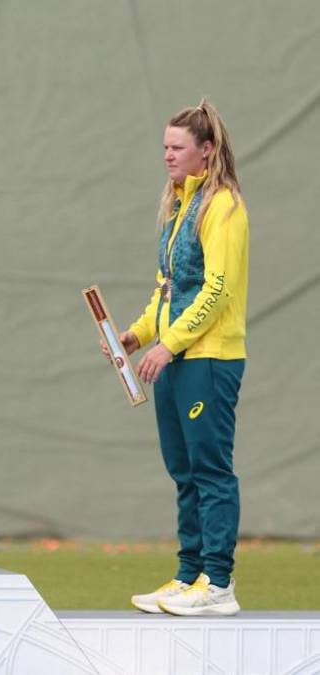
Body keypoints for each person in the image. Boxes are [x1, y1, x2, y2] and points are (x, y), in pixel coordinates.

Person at [112, 99, 249, 616]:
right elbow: (168, 288)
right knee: (184, 472)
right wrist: (138, 335)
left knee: (211, 471)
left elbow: (217, 290)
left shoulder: (224, 207)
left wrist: (170, 346)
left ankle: (218, 584)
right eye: (165, 147)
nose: (167, 156)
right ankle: (189, 574)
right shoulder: (178, 206)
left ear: (206, 151)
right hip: (174, 360)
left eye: (177, 148)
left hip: (208, 361)